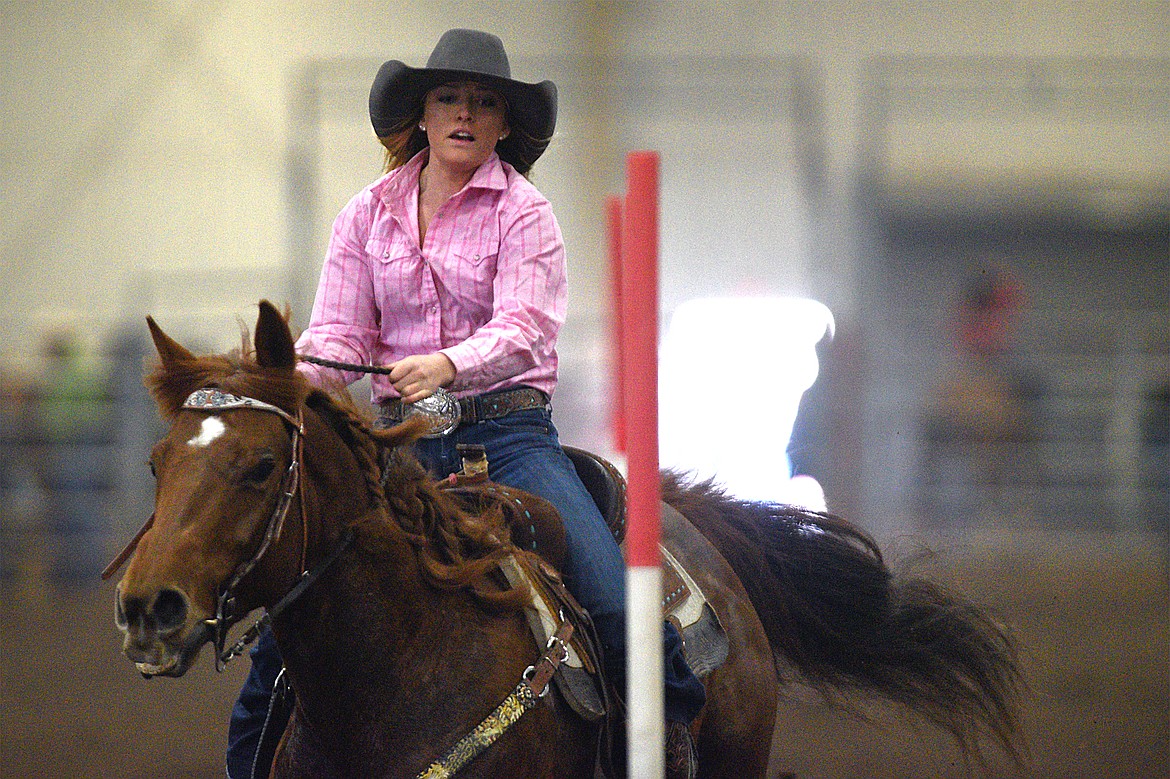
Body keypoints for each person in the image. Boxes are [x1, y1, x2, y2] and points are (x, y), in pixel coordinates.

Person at [226, 29, 705, 779]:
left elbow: (526, 327)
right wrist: (279, 384)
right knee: (286, 630)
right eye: (450, 97)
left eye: (485, 104)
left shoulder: (525, 212)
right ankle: (248, 766)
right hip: (395, 450)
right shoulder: (366, 214)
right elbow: (337, 336)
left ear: (504, 125)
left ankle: (672, 735)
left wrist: (448, 363)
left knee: (613, 602)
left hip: (508, 438)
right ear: (421, 113)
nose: (465, 114)